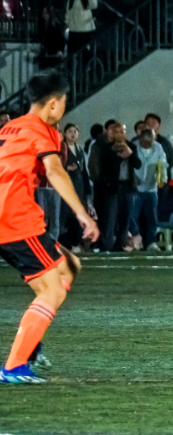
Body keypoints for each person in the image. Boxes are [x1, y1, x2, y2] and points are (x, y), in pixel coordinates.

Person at [0, 73, 99, 384]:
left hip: (10, 218)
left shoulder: (9, 128)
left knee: (70, 266)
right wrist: (82, 214)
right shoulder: (41, 131)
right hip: (16, 220)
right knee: (52, 290)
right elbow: (54, 170)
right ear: (54, 104)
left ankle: (31, 343)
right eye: (64, 103)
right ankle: (14, 366)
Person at [90, 122, 142, 252]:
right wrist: (117, 156)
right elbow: (106, 167)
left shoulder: (131, 146)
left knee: (126, 217)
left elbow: (137, 164)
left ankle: (120, 244)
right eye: (117, 131)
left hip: (127, 186)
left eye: (122, 131)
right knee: (110, 218)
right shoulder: (107, 148)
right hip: (113, 187)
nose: (120, 134)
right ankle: (106, 245)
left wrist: (129, 154)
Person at [131, 128, 168, 252]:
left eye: (151, 140)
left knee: (151, 217)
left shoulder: (158, 147)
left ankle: (151, 242)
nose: (148, 143)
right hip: (136, 188)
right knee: (133, 216)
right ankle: (135, 241)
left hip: (151, 188)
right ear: (140, 138)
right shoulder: (133, 147)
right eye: (146, 141)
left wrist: (163, 179)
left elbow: (163, 164)